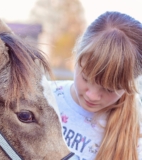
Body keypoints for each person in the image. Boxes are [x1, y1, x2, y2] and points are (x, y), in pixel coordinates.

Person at [50, 11, 142, 160]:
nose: (91, 95)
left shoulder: (136, 138)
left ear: (128, 85)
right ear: (77, 55)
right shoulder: (44, 97)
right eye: (86, 78)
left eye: (109, 89)